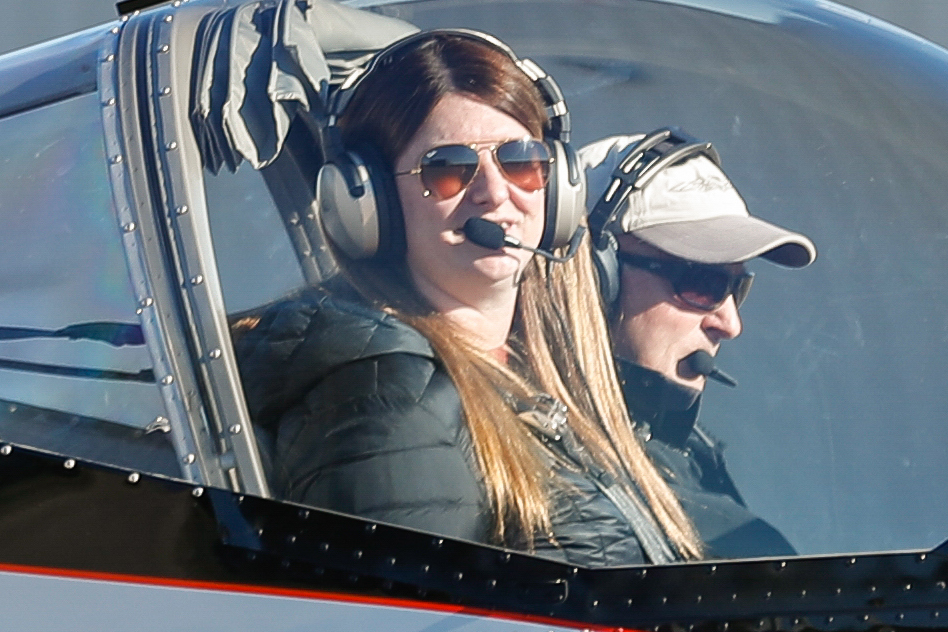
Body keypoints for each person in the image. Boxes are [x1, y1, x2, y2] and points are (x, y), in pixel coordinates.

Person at [240, 32, 699, 562]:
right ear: (368, 200)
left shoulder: (532, 374)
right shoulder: (391, 388)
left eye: (521, 161)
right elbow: (397, 629)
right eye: (448, 169)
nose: (496, 193)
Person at [584, 133, 813, 561]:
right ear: (598, 277)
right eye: (703, 283)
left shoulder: (693, 457)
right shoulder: (538, 470)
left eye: (735, 287)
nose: (730, 324)